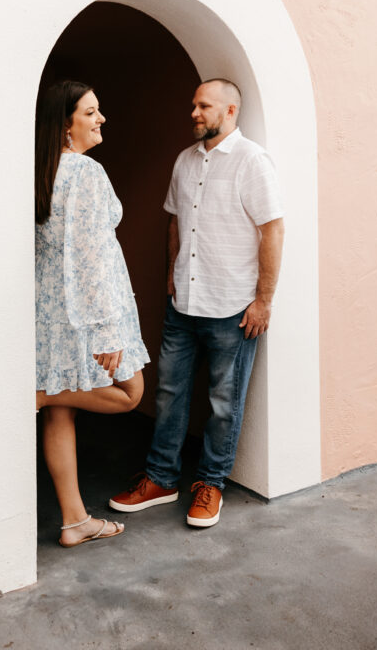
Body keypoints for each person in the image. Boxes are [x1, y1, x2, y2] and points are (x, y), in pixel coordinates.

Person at [110, 78, 284, 528]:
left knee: (224, 401)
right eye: (193, 105)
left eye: (203, 106)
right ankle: (161, 477)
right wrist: (171, 270)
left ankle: (211, 483)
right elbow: (175, 221)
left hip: (233, 308)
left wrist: (264, 300)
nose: (194, 113)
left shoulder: (252, 161)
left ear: (230, 112)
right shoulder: (185, 161)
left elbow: (272, 230)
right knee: (169, 394)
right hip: (183, 303)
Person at [35, 80, 149, 547]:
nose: (101, 119)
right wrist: (105, 330)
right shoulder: (85, 172)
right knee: (129, 393)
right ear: (67, 124)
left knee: (64, 410)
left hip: (50, 312)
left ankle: (74, 520)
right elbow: (90, 256)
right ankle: (35, 394)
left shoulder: (41, 171)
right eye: (91, 112)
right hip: (86, 313)